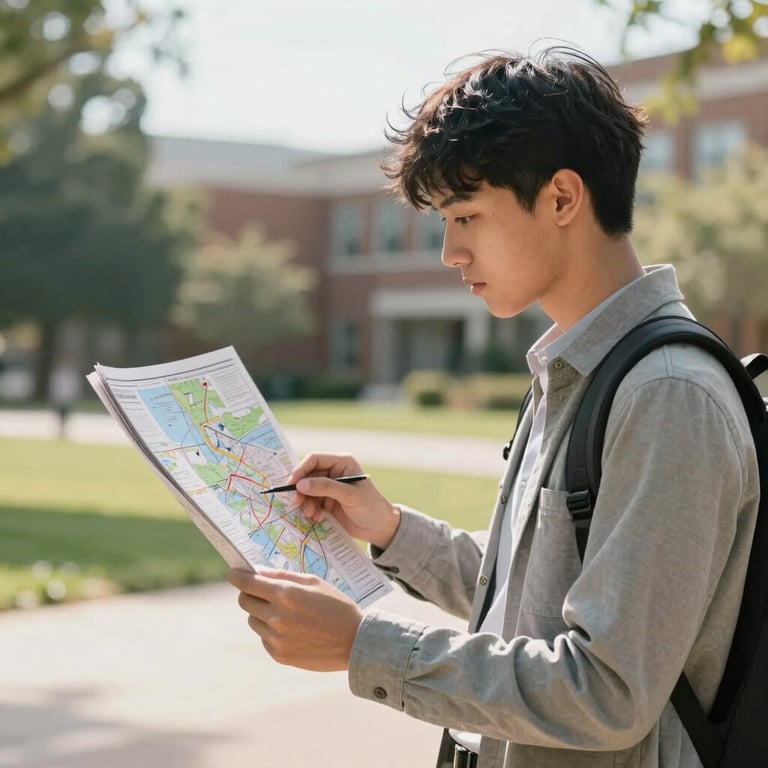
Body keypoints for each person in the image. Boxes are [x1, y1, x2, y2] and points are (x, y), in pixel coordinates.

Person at [227, 47, 759, 768]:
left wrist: (362, 647)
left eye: (466, 216)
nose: (450, 252)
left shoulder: (666, 392)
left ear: (563, 198)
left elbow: (606, 690)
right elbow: (533, 594)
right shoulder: (577, 368)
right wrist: (388, 529)